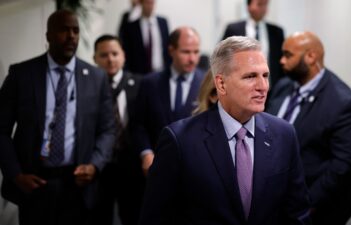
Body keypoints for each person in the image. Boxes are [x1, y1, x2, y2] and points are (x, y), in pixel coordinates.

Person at [139, 36, 311, 225]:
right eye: (250, 76)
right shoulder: (179, 140)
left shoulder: (284, 134)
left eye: (265, 75)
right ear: (221, 84)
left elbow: (297, 214)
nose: (263, 87)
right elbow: (154, 218)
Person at [0, 10, 115, 225]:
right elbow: (1, 130)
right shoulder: (22, 75)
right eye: (64, 30)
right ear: (49, 35)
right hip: (34, 182)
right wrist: (15, 174)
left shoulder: (96, 78)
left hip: (78, 183)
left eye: (76, 31)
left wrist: (95, 164)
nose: (71, 36)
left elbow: (107, 129)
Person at [266, 31, 351, 225]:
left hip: (315, 208)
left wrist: (306, 202)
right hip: (273, 198)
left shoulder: (343, 103)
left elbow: (346, 164)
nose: (281, 61)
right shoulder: (284, 86)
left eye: (288, 55)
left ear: (311, 56)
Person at [133, 26, 204, 176]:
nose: (192, 59)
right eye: (186, 52)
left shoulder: (209, 85)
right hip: (157, 169)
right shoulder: (149, 83)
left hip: (196, 170)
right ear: (171, 50)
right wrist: (146, 153)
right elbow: (137, 125)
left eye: (196, 52)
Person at [93, 34, 143, 225]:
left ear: (123, 55)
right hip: (101, 165)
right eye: (104, 55)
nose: (110, 59)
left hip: (132, 165)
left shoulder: (140, 84)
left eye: (115, 53)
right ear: (95, 59)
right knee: (101, 215)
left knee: (132, 214)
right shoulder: (90, 88)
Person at [222, 0, 284, 93]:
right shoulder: (233, 29)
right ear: (248, 6)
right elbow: (223, 56)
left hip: (271, 90)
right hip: (242, 87)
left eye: (265, 5)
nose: (263, 8)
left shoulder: (276, 32)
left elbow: (281, 60)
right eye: (259, 4)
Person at [120, 0, 170, 75]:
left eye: (152, 3)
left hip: (160, 71)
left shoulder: (163, 22)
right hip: (139, 73)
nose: (150, 6)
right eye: (147, 3)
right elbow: (125, 47)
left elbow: (167, 45)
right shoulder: (132, 26)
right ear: (141, 3)